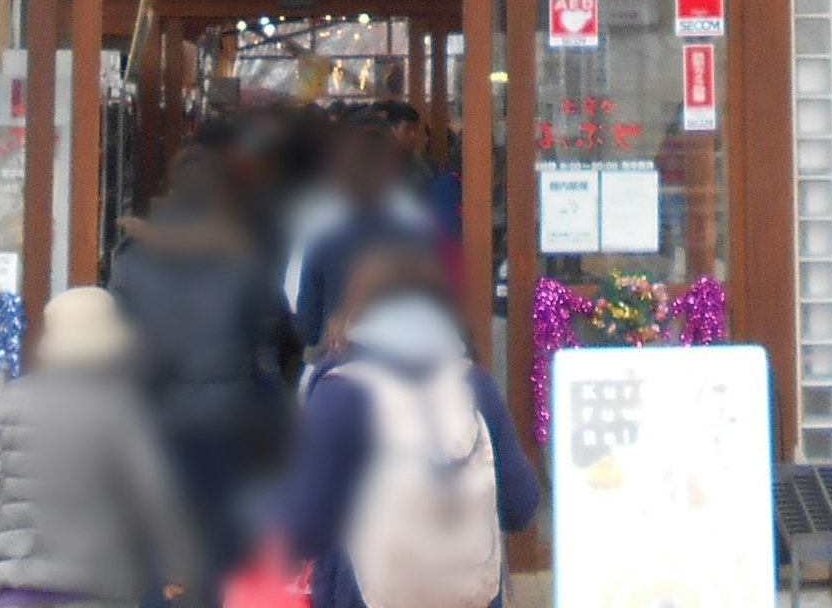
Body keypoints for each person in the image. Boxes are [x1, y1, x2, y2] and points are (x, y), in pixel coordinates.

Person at [274, 245, 538, 608]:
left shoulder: (341, 394)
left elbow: (305, 532)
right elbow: (521, 507)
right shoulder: (474, 386)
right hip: (469, 595)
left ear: (358, 308)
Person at [0, 285, 200, 608]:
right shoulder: (121, 408)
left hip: (16, 581)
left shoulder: (10, 400)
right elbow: (156, 492)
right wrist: (177, 567)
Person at [112, 144, 295, 574]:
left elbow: (117, 337)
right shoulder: (243, 251)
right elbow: (278, 330)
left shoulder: (133, 256)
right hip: (229, 412)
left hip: (155, 413)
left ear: (172, 190)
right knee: (226, 543)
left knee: (157, 542)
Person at [287, 121, 433, 366]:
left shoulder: (322, 232)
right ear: (393, 168)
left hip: (340, 364)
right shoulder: (416, 227)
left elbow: (306, 325)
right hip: (405, 366)